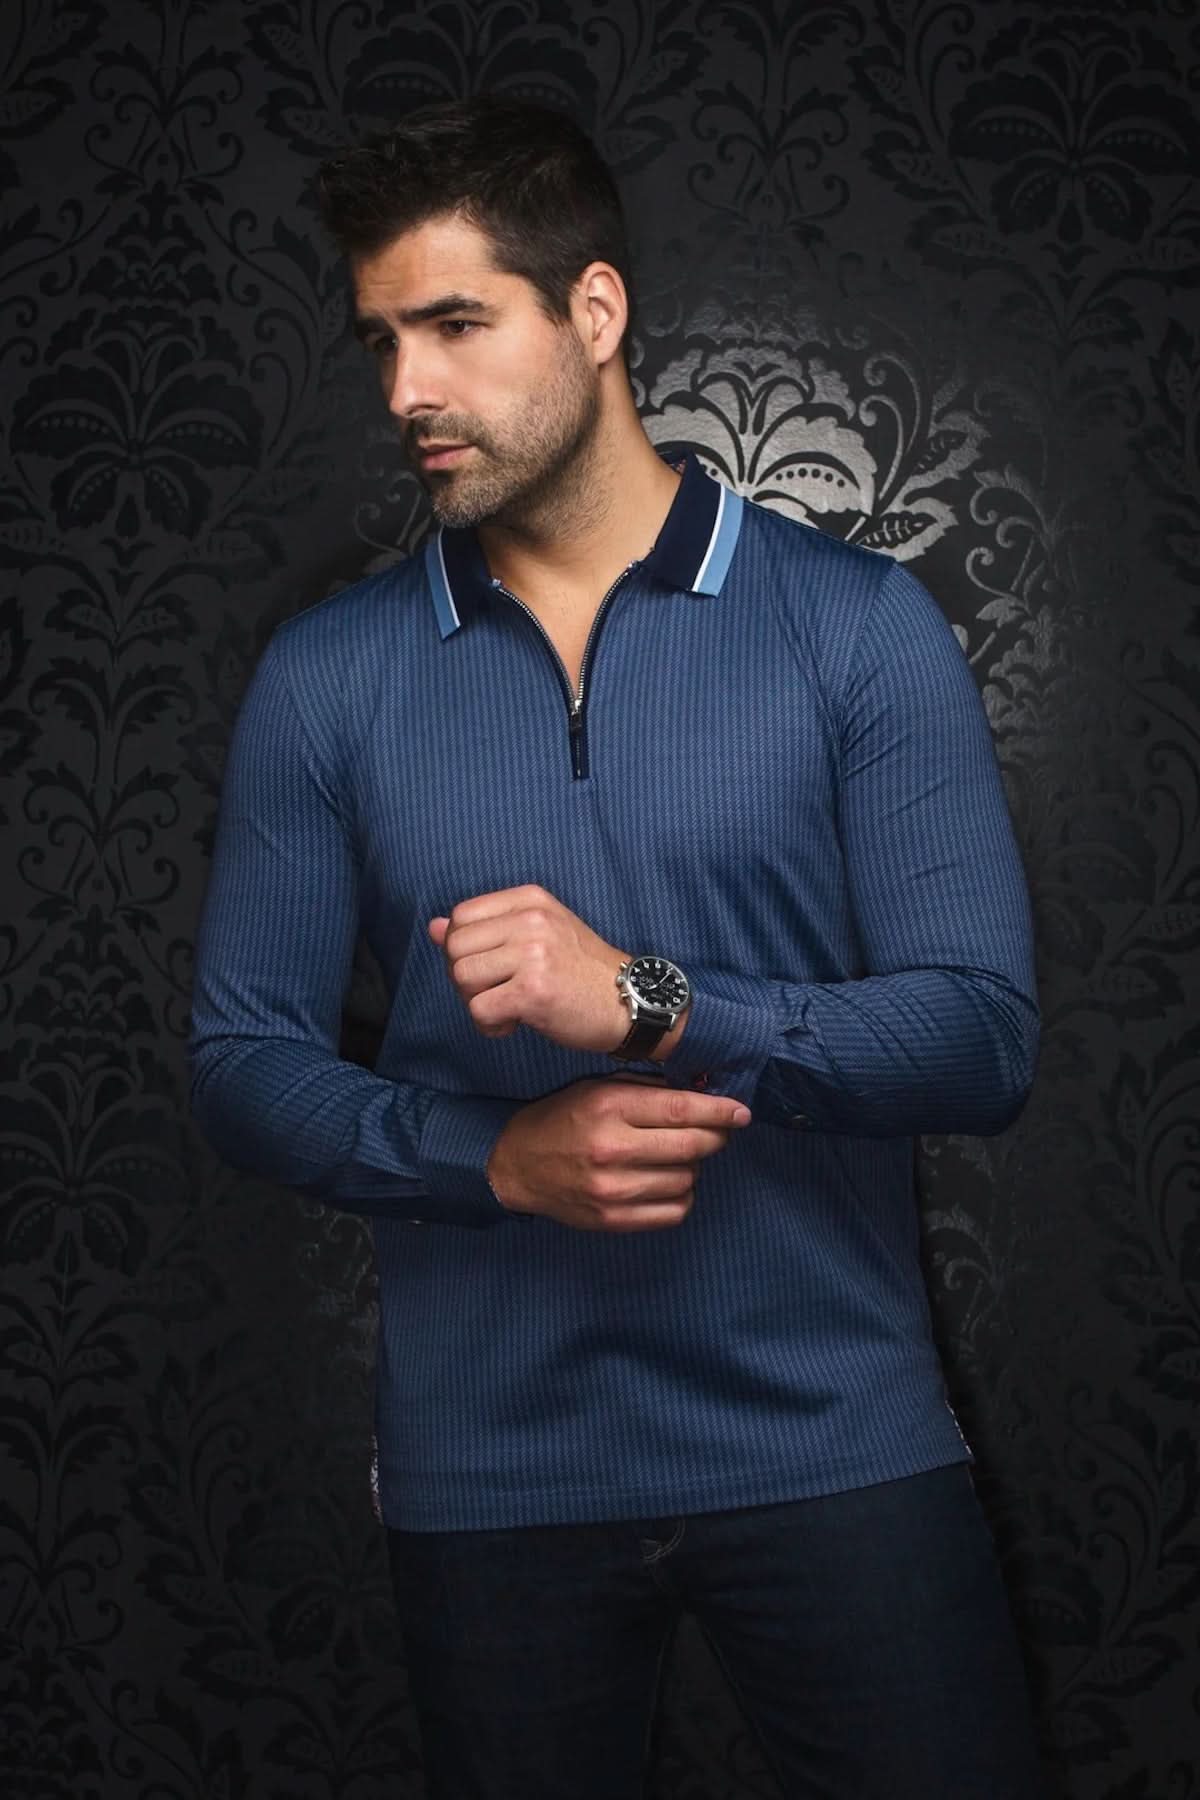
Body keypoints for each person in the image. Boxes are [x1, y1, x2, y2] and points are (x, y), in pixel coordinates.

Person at [189, 94, 1044, 1800]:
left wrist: (650, 1003)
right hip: (494, 1471)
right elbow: (242, 1064)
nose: (406, 388)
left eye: (454, 325)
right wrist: (493, 1159)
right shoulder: (328, 676)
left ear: (593, 311)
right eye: (383, 339)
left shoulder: (857, 629)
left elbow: (981, 1040)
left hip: (834, 1440)